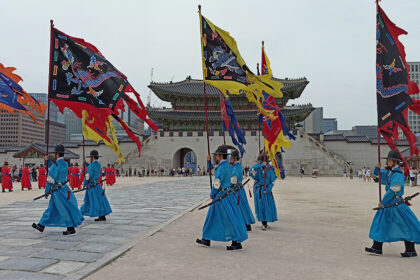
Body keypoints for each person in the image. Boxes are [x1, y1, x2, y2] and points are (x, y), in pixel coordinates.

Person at [365, 150, 420, 257]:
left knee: (406, 225)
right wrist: (377, 167)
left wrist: (383, 202)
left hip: (395, 203)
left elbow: (394, 189)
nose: (387, 162)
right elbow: (378, 174)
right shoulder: (391, 172)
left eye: (389, 160)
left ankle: (410, 249)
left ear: (394, 162)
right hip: (390, 203)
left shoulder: (398, 175)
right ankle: (377, 247)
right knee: (381, 222)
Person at [196, 145, 248, 250]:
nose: (215, 157)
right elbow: (213, 170)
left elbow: (217, 183)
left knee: (215, 217)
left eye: (216, 156)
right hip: (228, 195)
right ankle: (207, 239)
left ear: (220, 156)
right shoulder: (229, 167)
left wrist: (212, 194)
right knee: (228, 217)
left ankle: (234, 241)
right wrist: (208, 162)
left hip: (221, 197)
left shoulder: (221, 168)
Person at [32, 145, 84, 235]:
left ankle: (70, 227)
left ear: (57, 154)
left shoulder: (55, 167)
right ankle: (41, 225)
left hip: (57, 191)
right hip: (64, 188)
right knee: (51, 208)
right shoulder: (65, 164)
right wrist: (48, 161)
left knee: (62, 209)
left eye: (55, 153)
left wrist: (47, 192)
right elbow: (57, 167)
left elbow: (50, 179)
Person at [80, 150, 112, 221]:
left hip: (91, 187)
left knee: (87, 201)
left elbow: (88, 176)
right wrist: (86, 164)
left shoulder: (91, 166)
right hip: (97, 185)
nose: (90, 159)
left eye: (91, 157)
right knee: (100, 201)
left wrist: (84, 184)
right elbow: (92, 167)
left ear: (92, 157)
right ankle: (102, 215)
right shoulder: (98, 165)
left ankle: (79, 214)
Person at [250, 154, 278, 230]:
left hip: (266, 191)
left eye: (261, 162)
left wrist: (268, 190)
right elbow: (251, 170)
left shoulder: (270, 170)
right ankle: (263, 222)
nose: (259, 164)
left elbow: (272, 182)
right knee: (260, 207)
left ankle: (265, 222)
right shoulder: (258, 169)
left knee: (266, 207)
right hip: (259, 191)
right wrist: (260, 165)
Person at [230, 149, 255, 231]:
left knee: (240, 207)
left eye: (231, 157)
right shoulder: (238, 166)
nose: (230, 159)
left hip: (236, 190)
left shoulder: (235, 168)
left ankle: (245, 223)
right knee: (243, 206)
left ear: (234, 158)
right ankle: (246, 223)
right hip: (240, 189)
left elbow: (233, 180)